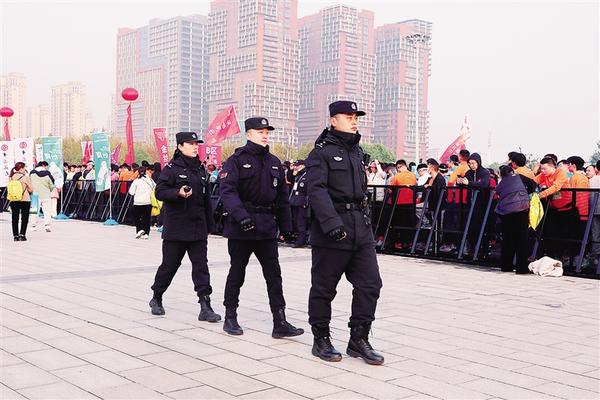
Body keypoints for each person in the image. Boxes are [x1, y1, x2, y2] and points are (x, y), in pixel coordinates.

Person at [306, 100, 384, 365]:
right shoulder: (321, 153)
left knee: (370, 284)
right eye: (348, 116)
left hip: (360, 229)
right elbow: (316, 191)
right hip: (332, 230)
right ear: (333, 120)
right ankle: (321, 339)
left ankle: (358, 339)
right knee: (324, 287)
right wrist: (332, 225)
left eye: (356, 117)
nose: (354, 121)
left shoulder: (357, 152)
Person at [219, 117, 303, 338]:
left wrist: (287, 227)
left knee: (274, 275)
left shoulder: (274, 162)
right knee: (237, 272)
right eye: (260, 131)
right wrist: (241, 216)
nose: (265, 135)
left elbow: (282, 198)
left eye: (266, 132)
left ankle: (280, 321)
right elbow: (227, 192)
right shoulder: (236, 160)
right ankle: (230, 317)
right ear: (248, 134)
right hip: (242, 227)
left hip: (266, 226)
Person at [149, 131, 221, 324]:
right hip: (176, 228)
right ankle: (157, 296)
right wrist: (177, 192)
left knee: (201, 267)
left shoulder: (200, 169)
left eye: (196, 143)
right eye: (190, 144)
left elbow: (206, 199)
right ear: (180, 146)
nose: (195, 147)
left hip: (198, 227)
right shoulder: (171, 169)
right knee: (169, 266)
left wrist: (210, 224)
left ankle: (205, 306)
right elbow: (159, 191)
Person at [495, 165, 536, 274]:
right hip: (521, 210)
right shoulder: (520, 177)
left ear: (501, 175)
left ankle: (506, 266)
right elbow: (533, 184)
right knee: (522, 239)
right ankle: (521, 268)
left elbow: (496, 193)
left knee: (507, 239)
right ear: (512, 171)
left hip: (506, 212)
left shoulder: (501, 183)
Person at [457, 153, 490, 256]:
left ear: (478, 162)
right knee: (471, 227)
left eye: (473, 163)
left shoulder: (485, 172)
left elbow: (484, 184)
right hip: (470, 203)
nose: (472, 165)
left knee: (482, 227)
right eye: (470, 163)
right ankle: (471, 248)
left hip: (482, 204)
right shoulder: (469, 173)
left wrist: (469, 183)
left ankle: (483, 250)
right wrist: (460, 182)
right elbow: (466, 183)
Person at [128, 166, 155, 239]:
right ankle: (146, 234)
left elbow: (131, 192)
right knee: (147, 218)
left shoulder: (136, 181)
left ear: (138, 172)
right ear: (146, 172)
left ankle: (139, 230)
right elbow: (155, 188)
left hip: (138, 202)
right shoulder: (150, 180)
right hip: (148, 202)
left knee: (137, 217)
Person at [9, 162, 34, 241]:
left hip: (13, 199)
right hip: (25, 199)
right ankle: (22, 235)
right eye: (24, 168)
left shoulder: (11, 177)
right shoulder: (25, 177)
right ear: (21, 169)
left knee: (14, 218)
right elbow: (31, 189)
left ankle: (15, 236)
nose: (25, 169)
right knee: (24, 218)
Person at [30, 161, 55, 232]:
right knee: (47, 211)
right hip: (46, 195)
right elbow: (52, 185)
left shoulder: (32, 173)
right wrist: (49, 189)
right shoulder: (48, 174)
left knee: (34, 211)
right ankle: (47, 225)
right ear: (44, 166)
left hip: (35, 195)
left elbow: (29, 183)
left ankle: (33, 226)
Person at [289, 160, 309, 248]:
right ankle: (297, 238)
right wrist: (291, 171)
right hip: (295, 200)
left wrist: (306, 202)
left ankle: (301, 241)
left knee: (301, 222)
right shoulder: (298, 175)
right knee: (295, 221)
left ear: (303, 165)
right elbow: (290, 180)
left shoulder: (307, 175)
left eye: (298, 165)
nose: (296, 167)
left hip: (302, 201)